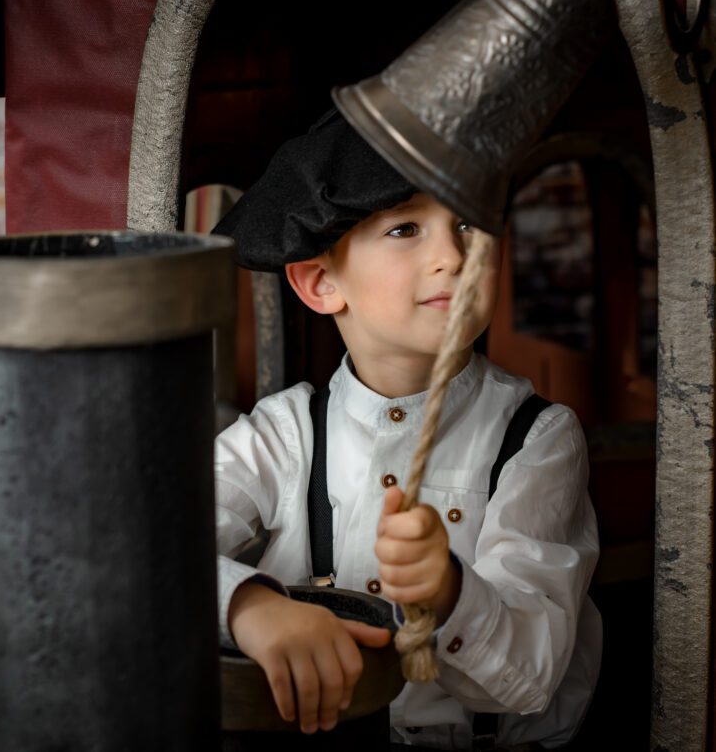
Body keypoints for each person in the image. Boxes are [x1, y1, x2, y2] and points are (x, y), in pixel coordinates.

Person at [213, 108, 601, 750]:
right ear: (321, 282)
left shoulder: (538, 439)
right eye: (405, 228)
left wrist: (450, 593)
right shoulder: (281, 438)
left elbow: (531, 679)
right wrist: (249, 606)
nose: (453, 255)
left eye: (468, 222)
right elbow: (152, 552)